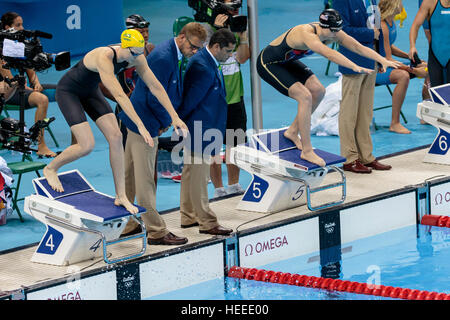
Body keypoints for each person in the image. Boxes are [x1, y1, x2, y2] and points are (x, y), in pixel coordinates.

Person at [43, 29, 187, 214]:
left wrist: (174, 116)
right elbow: (119, 95)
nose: (136, 57)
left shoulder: (137, 55)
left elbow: (156, 86)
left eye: (139, 52)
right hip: (69, 92)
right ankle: (51, 168)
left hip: (90, 92)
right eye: (133, 53)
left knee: (116, 136)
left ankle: (121, 196)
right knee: (86, 145)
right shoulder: (105, 56)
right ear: (124, 47)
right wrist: (140, 126)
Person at [256, 9, 399, 167]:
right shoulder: (307, 34)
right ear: (325, 27)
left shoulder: (333, 31)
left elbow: (357, 47)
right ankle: (307, 151)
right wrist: (354, 66)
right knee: (305, 97)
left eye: (337, 30)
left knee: (319, 91)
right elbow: (330, 54)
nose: (336, 34)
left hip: (288, 61)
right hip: (269, 63)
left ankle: (292, 131)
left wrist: (382, 60)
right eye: (333, 31)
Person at [119, 22, 207, 244]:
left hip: (138, 118)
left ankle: (128, 222)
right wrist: (165, 121)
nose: (195, 52)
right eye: (193, 47)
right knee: (145, 178)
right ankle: (156, 231)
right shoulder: (163, 57)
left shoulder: (172, 51)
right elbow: (152, 94)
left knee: (130, 174)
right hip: (145, 122)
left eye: (199, 49)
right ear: (182, 37)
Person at [176, 28, 236, 236]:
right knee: (199, 176)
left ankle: (188, 215)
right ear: (216, 46)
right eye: (228, 51)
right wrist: (181, 124)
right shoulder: (202, 65)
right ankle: (207, 221)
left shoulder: (208, 61)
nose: (230, 56)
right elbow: (190, 101)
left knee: (191, 172)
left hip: (204, 125)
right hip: (199, 127)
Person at [333, 0, 396, 173]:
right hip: (352, 61)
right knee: (349, 112)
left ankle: (366, 156)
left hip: (372, 60)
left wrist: (381, 57)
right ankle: (349, 158)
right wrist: (369, 34)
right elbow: (341, 30)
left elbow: (378, 29)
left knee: (365, 113)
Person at [202, 0, 251, 198]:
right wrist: (218, 31)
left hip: (235, 99)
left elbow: (242, 57)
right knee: (213, 147)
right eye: (231, 6)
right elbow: (206, 58)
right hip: (214, 101)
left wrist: (243, 35)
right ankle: (218, 188)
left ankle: (234, 184)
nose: (234, 10)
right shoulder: (206, 29)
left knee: (234, 145)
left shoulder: (238, 28)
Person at [0, 12, 57, 158]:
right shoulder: (1, 49)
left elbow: (29, 67)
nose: (22, 28)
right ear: (8, 28)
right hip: (7, 91)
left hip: (20, 87)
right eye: (18, 25)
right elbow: (10, 80)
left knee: (65, 90)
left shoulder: (20, 45)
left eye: (22, 24)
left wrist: (36, 83)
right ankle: (41, 145)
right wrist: (27, 87)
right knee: (42, 100)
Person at [99, 14, 155, 147]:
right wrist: (122, 99)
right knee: (125, 149)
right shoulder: (122, 54)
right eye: (141, 32)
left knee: (149, 146)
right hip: (126, 109)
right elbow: (101, 85)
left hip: (146, 106)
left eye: (147, 31)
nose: (146, 35)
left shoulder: (150, 49)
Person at [376, 0, 429, 134]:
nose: (402, 6)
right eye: (400, 3)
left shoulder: (390, 22)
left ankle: (426, 115)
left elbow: (389, 47)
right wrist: (413, 70)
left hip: (387, 63)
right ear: (393, 5)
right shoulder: (382, 25)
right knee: (403, 76)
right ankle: (395, 123)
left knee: (428, 68)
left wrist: (409, 57)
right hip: (378, 69)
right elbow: (388, 59)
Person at [410, 0, 450, 87]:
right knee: (438, 96)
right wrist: (412, 46)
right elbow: (415, 26)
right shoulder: (430, 2)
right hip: (436, 58)